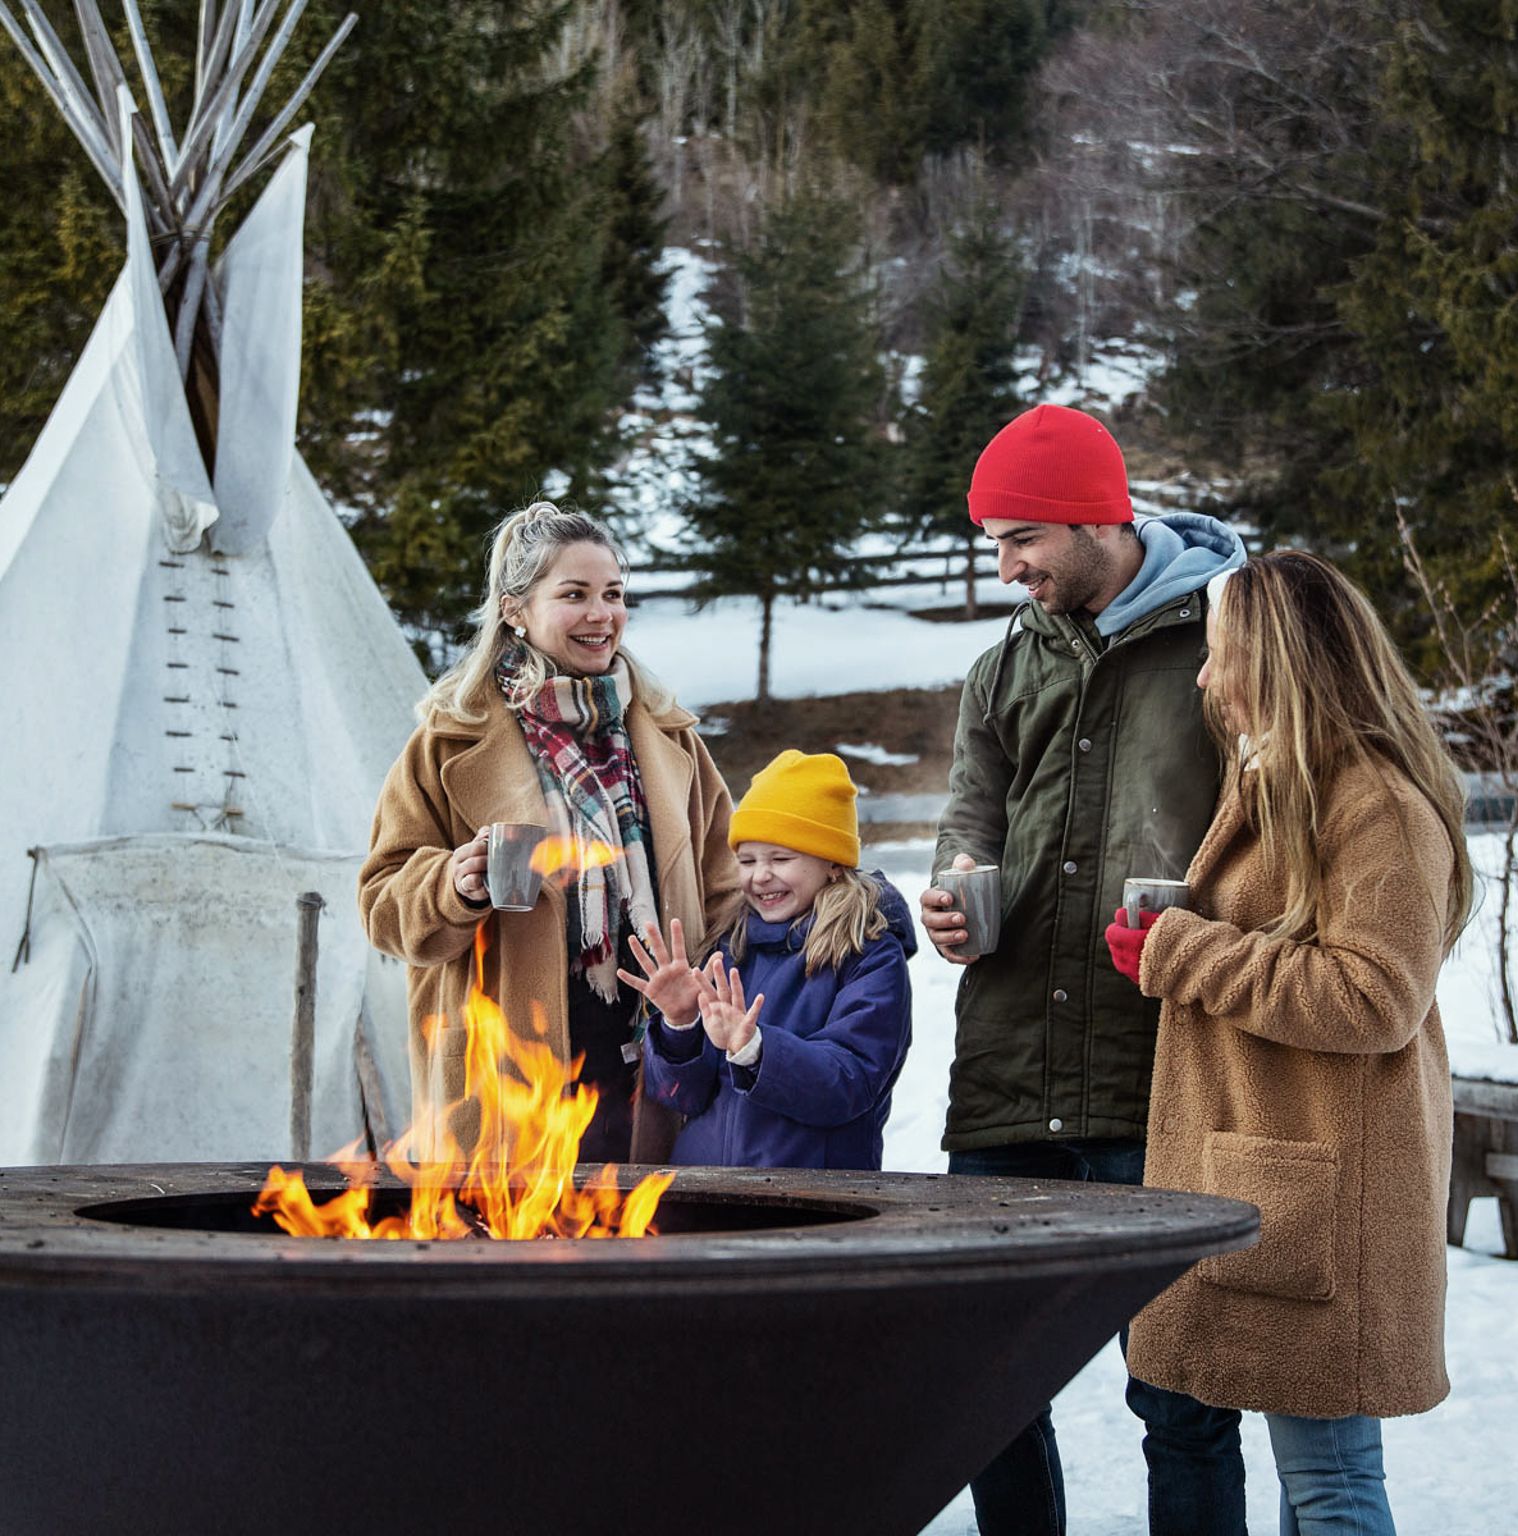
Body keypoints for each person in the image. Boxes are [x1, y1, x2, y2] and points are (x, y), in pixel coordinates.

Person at [919, 403, 1246, 1534]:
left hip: (1161, 1072)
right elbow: (970, 819)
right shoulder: (1000, 668)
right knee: (984, 1394)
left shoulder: (1227, 646)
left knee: (1184, 1395)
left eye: (1022, 541)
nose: (1007, 568)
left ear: (1095, 517)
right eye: (997, 544)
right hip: (1008, 1075)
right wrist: (958, 898)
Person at [1103, 552, 1472, 1536]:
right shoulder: (1285, 781)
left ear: (1271, 660)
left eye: (1219, 654)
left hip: (1329, 1199)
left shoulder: (1376, 802)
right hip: (1281, 1182)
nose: (1204, 677)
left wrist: (1185, 951)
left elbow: (1375, 997)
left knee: (1335, 1489)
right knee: (1319, 1490)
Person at [359, 501, 738, 1165]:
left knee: (642, 1255)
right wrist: (453, 884)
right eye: (575, 595)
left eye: (613, 594)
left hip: (653, 1070)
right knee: (517, 1265)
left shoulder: (671, 737)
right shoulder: (448, 744)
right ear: (515, 610)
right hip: (503, 1082)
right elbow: (383, 907)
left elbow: (727, 891)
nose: (602, 615)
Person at [628, 749, 915, 1171]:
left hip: (808, 1203)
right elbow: (680, 1096)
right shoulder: (729, 945)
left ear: (832, 863)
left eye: (781, 858)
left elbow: (849, 1083)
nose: (759, 875)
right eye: (747, 860)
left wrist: (755, 1050)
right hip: (705, 1199)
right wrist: (680, 1025)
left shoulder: (868, 954)